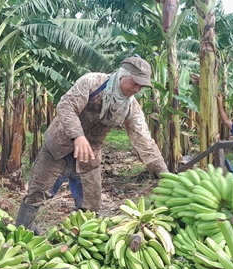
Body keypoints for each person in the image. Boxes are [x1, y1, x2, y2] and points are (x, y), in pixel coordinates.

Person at [16, 56, 169, 230]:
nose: (137, 89)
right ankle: (22, 232)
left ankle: (82, 241)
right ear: (122, 74)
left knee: (91, 204)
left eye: (141, 86)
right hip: (59, 145)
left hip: (89, 155)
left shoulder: (130, 107)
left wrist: (164, 173)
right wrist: (78, 136)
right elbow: (66, 106)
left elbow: (144, 141)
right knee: (37, 192)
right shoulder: (92, 82)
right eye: (135, 83)